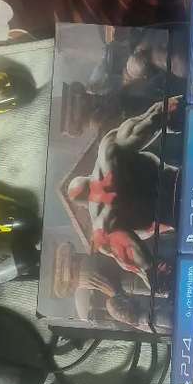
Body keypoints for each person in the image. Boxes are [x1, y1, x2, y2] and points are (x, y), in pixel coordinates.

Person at [67, 97, 181, 279]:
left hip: (178, 216)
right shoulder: (107, 151)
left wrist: (151, 271)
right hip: (179, 180)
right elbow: (150, 120)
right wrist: (166, 113)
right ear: (88, 176)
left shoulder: (101, 227)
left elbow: (142, 262)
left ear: (84, 204)